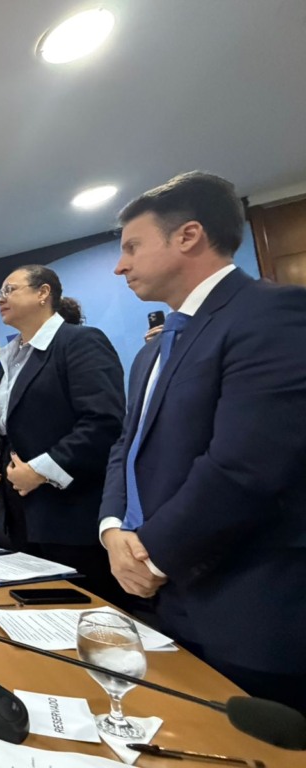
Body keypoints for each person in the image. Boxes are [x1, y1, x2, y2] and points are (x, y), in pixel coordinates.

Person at [99, 171, 306, 711]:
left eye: (132, 247)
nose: (120, 265)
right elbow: (127, 447)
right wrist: (113, 529)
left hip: (249, 609)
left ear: (188, 236)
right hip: (162, 600)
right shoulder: (152, 350)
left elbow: (245, 466)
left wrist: (151, 556)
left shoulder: (272, 314)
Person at [0, 269, 125, 602]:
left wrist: (41, 470)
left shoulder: (80, 341)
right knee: (29, 613)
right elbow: (4, 429)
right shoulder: (10, 357)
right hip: (16, 517)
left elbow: (104, 422)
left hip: (69, 517)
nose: (0, 299)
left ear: (43, 293)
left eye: (9, 289)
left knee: (81, 616)